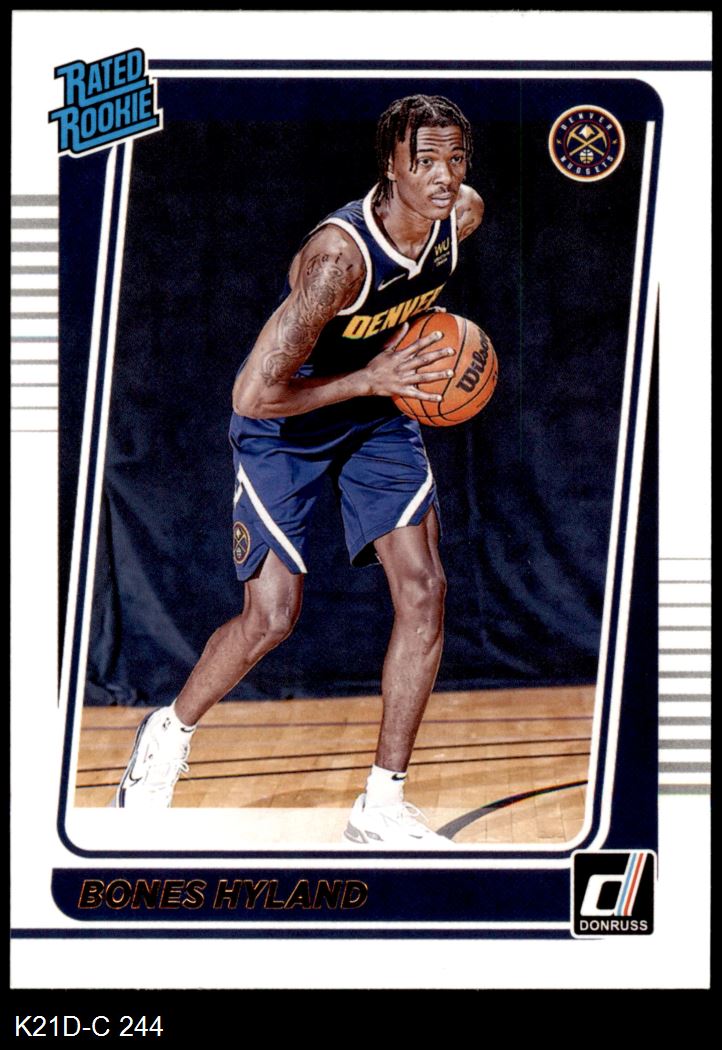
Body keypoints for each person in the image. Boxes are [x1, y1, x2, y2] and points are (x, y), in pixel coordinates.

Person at [114, 94, 484, 846]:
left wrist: (413, 361)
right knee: (272, 616)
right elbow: (253, 395)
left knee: (425, 588)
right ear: (391, 166)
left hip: (375, 408)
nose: (444, 176)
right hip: (286, 419)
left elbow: (403, 309)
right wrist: (368, 377)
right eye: (425, 161)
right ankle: (168, 733)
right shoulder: (337, 261)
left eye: (455, 159)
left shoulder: (462, 216)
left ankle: (381, 804)